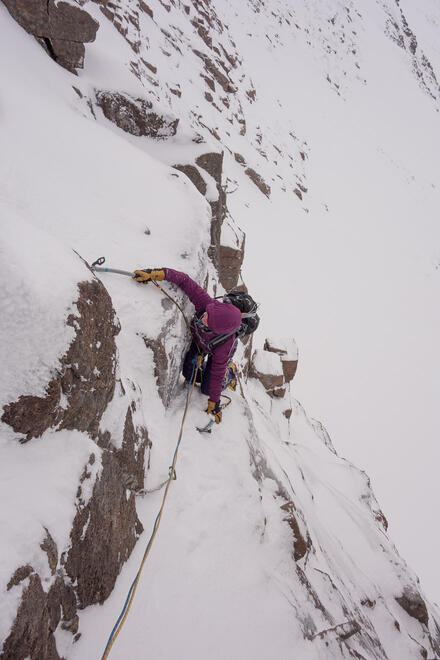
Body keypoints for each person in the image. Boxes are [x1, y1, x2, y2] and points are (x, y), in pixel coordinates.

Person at [134, 267, 242, 424]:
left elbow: (217, 374)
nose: (203, 318)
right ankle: (205, 369)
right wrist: (158, 274)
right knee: (189, 374)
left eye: (208, 321)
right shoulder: (207, 305)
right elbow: (185, 281)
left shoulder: (224, 346)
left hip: (214, 350)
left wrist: (214, 403)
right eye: (207, 315)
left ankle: (230, 373)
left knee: (207, 388)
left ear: (218, 330)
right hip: (199, 343)